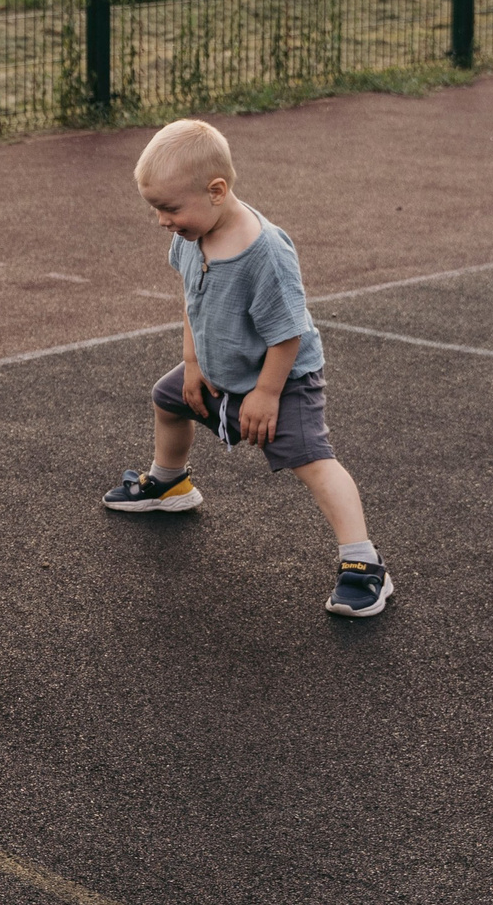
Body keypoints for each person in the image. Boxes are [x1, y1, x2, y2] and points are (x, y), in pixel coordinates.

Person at [101, 118, 393, 617]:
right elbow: (191, 299)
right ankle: (170, 483)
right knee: (168, 399)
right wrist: (192, 362)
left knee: (312, 460)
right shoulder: (191, 235)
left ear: (216, 191)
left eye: (170, 208)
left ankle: (364, 563)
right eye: (155, 209)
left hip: (282, 379)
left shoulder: (264, 253)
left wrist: (266, 394)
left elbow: (287, 333)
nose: (162, 221)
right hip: (220, 371)